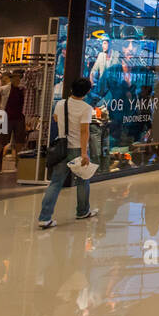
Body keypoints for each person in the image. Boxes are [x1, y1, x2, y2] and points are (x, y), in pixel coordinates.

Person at [37, 77, 99, 229]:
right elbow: (85, 131)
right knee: (83, 180)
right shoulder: (86, 108)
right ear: (87, 92)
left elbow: (56, 119)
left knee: (56, 182)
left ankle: (44, 217)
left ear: (71, 88)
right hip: (77, 148)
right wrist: (84, 153)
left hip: (62, 148)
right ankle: (83, 211)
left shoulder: (60, 104)